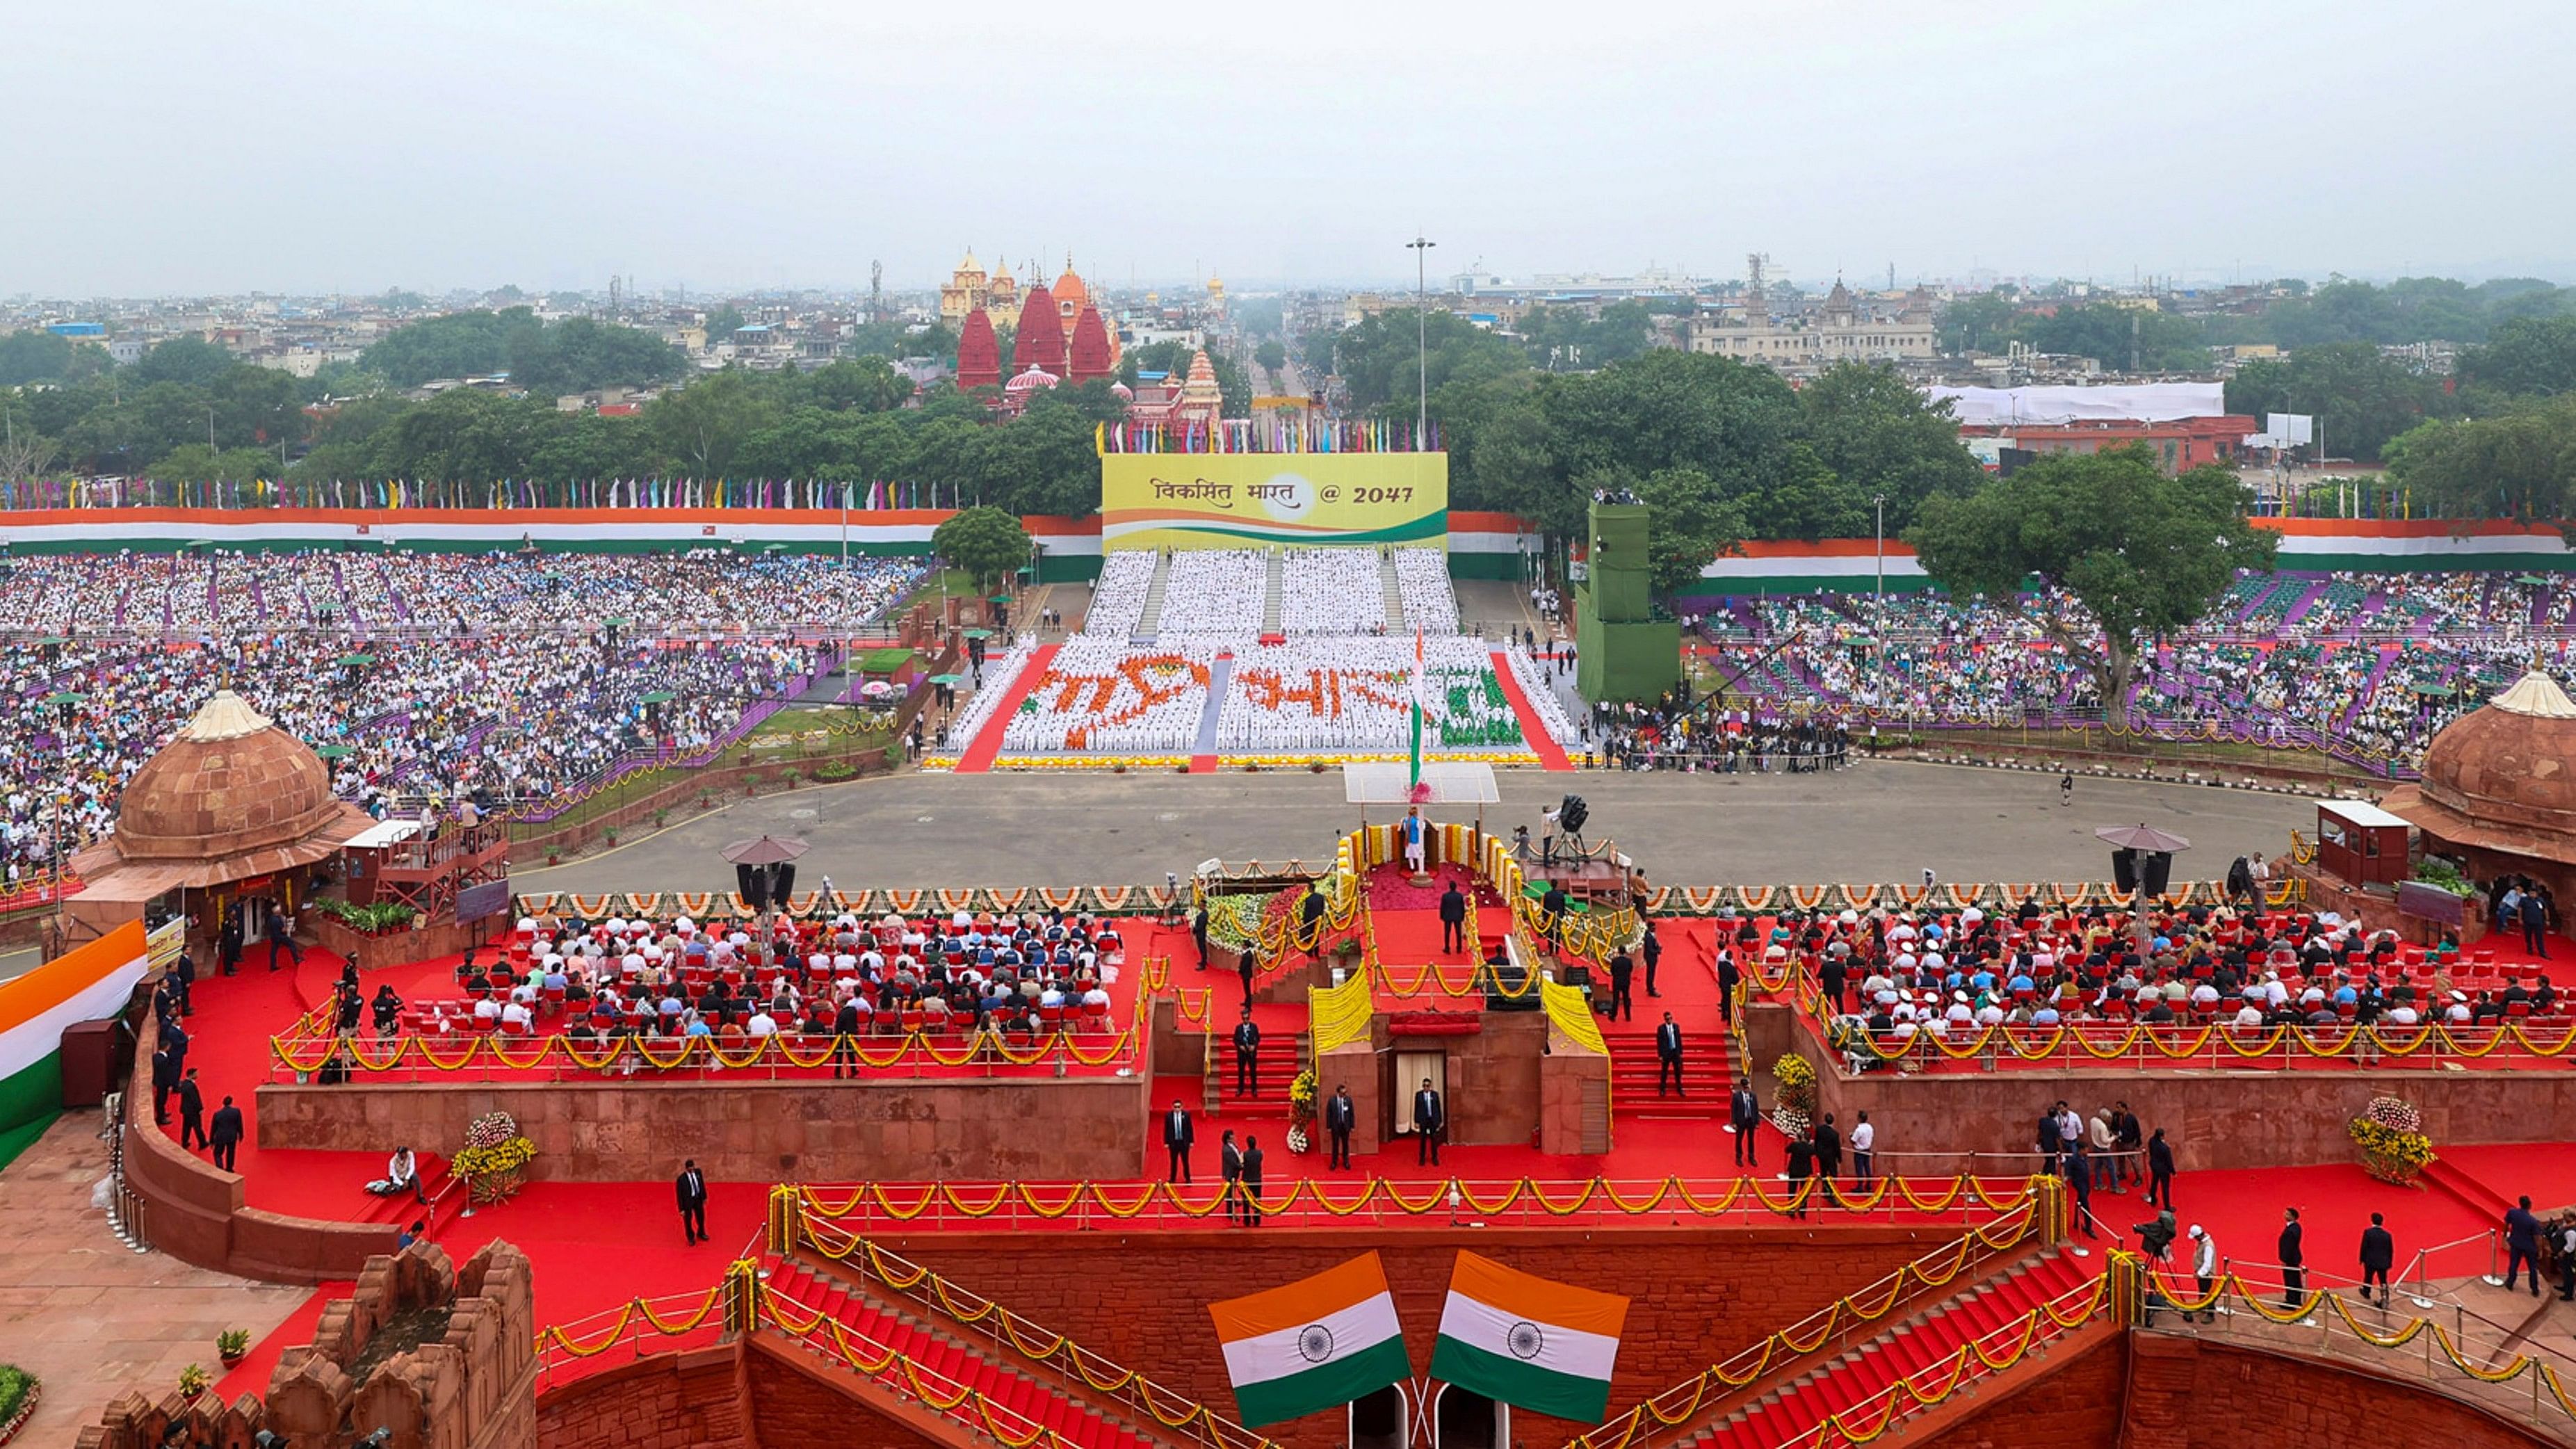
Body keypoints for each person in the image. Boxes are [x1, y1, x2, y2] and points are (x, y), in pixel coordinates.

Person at [2505, 1195, 2543, 1297]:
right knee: (2532, 1268)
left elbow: (2506, 1223)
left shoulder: (2512, 1212)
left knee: (2514, 1264)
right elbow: (2537, 1237)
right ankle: (2534, 1289)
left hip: (2516, 1243)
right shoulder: (2533, 1221)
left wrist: (2506, 1236)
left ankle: (2510, 1283)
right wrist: (2540, 1250)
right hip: (2529, 1247)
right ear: (2530, 1205)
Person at [2358, 1212, 2395, 1306]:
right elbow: (2390, 1250)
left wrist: (2361, 1258)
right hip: (2383, 1262)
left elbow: (2364, 1247)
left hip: (2370, 1261)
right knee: (2383, 1280)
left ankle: (2366, 1292)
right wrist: (2389, 1262)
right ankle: (2385, 1298)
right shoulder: (2387, 1235)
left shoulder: (2368, 1233)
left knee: (2368, 1277)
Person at [2187, 1224, 2219, 1322]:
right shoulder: (2202, 1243)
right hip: (2202, 1273)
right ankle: (2202, 1306)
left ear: (2199, 1236)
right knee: (2202, 1291)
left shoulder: (2208, 1246)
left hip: (2206, 1274)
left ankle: (2210, 1314)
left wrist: (2200, 1273)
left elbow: (2208, 1263)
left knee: (2207, 1293)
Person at [2278, 1207, 2306, 1311]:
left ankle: (2292, 1301)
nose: (2285, 1215)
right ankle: (2293, 1299)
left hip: (2290, 1259)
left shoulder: (2291, 1231)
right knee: (2294, 1279)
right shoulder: (2296, 1227)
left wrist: (2284, 1260)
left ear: (2292, 1216)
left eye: (2287, 1214)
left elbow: (2288, 1247)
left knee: (2291, 1280)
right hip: (2294, 1258)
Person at [676, 1160, 710, 1245]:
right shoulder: (681, 1179)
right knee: (688, 1220)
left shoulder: (698, 1173)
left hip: (698, 1199)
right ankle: (690, 1237)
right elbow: (679, 1195)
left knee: (701, 1217)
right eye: (690, 1168)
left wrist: (704, 1197)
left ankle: (701, 1232)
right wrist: (681, 1209)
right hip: (688, 1201)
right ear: (686, 1169)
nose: (691, 1170)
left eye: (692, 1168)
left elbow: (702, 1184)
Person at [208, 1095, 244, 1172]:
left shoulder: (217, 1114)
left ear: (223, 1104)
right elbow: (239, 1125)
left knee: (217, 1153)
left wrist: (211, 1141)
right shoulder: (236, 1112)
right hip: (232, 1136)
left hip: (220, 1136)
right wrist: (241, 1135)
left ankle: (220, 1167)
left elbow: (213, 1128)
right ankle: (229, 1168)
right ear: (231, 1102)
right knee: (231, 1152)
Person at [1412, 1077, 1444, 1165]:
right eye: (1424, 1086)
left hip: (1432, 1120)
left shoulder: (1435, 1095)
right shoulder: (1419, 1095)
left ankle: (1435, 1158)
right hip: (1423, 1120)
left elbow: (1438, 1108)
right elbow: (1416, 1109)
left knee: (1434, 1140)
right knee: (1423, 1140)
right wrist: (1416, 1121)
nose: (1426, 1087)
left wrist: (1440, 1121)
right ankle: (1422, 1158)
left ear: (1430, 1086)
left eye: (1428, 1086)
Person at [1730, 1078, 1760, 1167]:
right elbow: (1734, 1110)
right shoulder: (1736, 1096)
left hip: (1751, 1121)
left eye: (1749, 1087)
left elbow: (1756, 1109)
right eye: (1746, 1087)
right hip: (1741, 1121)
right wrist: (1734, 1122)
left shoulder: (1753, 1096)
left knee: (1751, 1140)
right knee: (1739, 1139)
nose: (1748, 1089)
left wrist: (1757, 1122)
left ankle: (1751, 1156)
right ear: (1743, 1087)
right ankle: (1739, 1157)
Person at [1325, 1085, 1356, 1170]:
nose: (1345, 1094)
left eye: (1345, 1093)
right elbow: (1328, 1114)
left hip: (1345, 1127)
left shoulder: (1348, 1100)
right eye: (1343, 1093)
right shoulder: (1332, 1101)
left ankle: (1346, 1161)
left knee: (1345, 1145)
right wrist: (1329, 1126)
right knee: (1335, 1145)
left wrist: (1352, 1126)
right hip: (1336, 1126)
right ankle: (1334, 1161)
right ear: (1338, 1092)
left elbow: (1351, 1114)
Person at [1163, 1100, 1195, 1183]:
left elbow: (1190, 1129)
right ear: (1172, 1107)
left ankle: (1188, 1178)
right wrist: (1166, 1142)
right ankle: (1172, 1179)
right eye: (1175, 1107)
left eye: (1179, 1107)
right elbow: (1166, 1130)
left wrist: (1191, 1141)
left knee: (1185, 1161)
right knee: (1173, 1162)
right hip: (1174, 1143)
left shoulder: (1186, 1115)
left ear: (1182, 1107)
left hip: (1184, 1142)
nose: (1177, 1109)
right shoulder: (1169, 1116)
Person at [265, 900, 302, 971]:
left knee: (274, 951)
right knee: (291, 944)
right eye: (280, 910)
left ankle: (273, 966)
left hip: (274, 937)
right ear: (277, 911)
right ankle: (296, 959)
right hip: (280, 936)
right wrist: (287, 925)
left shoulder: (271, 918)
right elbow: (283, 930)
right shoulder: (277, 920)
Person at [177, 1067, 206, 1150]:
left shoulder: (184, 1084)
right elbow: (195, 1099)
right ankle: (202, 1143)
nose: (197, 1075)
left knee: (186, 1127)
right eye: (196, 1073)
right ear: (191, 1075)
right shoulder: (191, 1086)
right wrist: (200, 1108)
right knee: (197, 1127)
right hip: (193, 1111)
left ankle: (185, 1142)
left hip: (186, 1110)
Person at [2147, 1126, 2176, 1209]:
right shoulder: (2165, 1148)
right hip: (2163, 1169)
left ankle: (2153, 1199)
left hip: (2154, 1165)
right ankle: (2167, 1206)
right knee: (2165, 1187)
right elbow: (2169, 1161)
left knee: (2154, 1183)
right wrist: (2173, 1171)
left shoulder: (2151, 1141)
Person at [1233, 1014, 1261, 1098]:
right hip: (1242, 1053)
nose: (1246, 1020)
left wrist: (1254, 1046)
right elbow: (1235, 1040)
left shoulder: (1254, 1027)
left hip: (1251, 1053)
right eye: (1244, 1019)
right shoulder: (1238, 1028)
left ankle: (1254, 1089)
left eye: (1247, 1019)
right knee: (1241, 1071)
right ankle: (1241, 1088)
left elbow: (1258, 1038)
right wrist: (1240, 1046)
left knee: (1253, 1071)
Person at [1655, 1012, 1684, 1096]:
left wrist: (1680, 1052)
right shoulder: (1661, 1029)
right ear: (1665, 1019)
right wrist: (1660, 1055)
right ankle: (1662, 1088)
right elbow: (1659, 1042)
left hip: (1675, 1052)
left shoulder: (1676, 1027)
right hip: (1666, 1053)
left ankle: (1679, 1088)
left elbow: (1679, 1040)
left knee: (1677, 1071)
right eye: (1668, 1019)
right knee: (1664, 1071)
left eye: (1671, 1018)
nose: (1670, 1020)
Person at [1220, 1130, 1245, 1226]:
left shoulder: (1233, 1146)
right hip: (1231, 1173)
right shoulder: (1227, 1150)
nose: (1235, 1137)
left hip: (1234, 1172)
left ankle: (1234, 1201)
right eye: (1232, 1136)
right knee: (1229, 1192)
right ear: (1228, 1138)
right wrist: (1242, 1166)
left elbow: (1238, 1155)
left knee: (1233, 1189)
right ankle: (1230, 1212)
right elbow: (1233, 1164)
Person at [1240, 1135, 1265, 1228]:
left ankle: (1247, 1220)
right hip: (1257, 1180)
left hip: (1247, 1181)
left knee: (1246, 1202)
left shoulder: (1244, 1154)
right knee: (1257, 1200)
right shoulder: (1260, 1153)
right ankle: (1257, 1219)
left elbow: (1241, 1165)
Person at [150, 1042, 177, 1126]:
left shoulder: (155, 1057)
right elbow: (165, 1074)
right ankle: (161, 1118)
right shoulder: (164, 1060)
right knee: (162, 1099)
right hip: (163, 1083)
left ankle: (162, 1114)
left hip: (159, 1082)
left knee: (161, 1099)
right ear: (167, 1047)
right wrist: (169, 1084)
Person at [1438, 881, 1467, 955]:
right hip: (1457, 916)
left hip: (1448, 916)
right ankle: (1459, 948)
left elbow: (1442, 907)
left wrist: (1442, 916)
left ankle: (1447, 948)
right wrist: (1463, 916)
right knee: (1458, 932)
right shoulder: (1460, 896)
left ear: (1449, 887)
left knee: (1447, 933)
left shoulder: (1445, 896)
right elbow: (1462, 907)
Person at [1606, 948, 1635, 1021]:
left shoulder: (1615, 961)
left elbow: (1612, 971)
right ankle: (1628, 1016)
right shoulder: (1629, 961)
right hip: (1626, 982)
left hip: (1617, 982)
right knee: (1626, 999)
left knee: (1616, 999)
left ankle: (1613, 1016)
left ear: (1619, 952)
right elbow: (1631, 969)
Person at [1849, 1110, 1875, 1190]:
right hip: (1867, 1149)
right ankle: (1869, 1184)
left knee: (1859, 1168)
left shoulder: (1859, 1130)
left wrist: (1850, 1136)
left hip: (1859, 1151)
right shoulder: (1870, 1127)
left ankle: (1860, 1186)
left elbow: (1853, 1140)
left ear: (1859, 1119)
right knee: (1867, 1167)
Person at [1401, 807, 1427, 875]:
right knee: (1419, 854)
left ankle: (1412, 867)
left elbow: (1404, 829)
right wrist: (1423, 820)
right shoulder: (1417, 821)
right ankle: (1420, 867)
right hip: (1416, 840)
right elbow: (1423, 828)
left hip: (1408, 840)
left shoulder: (1406, 820)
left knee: (1410, 855)